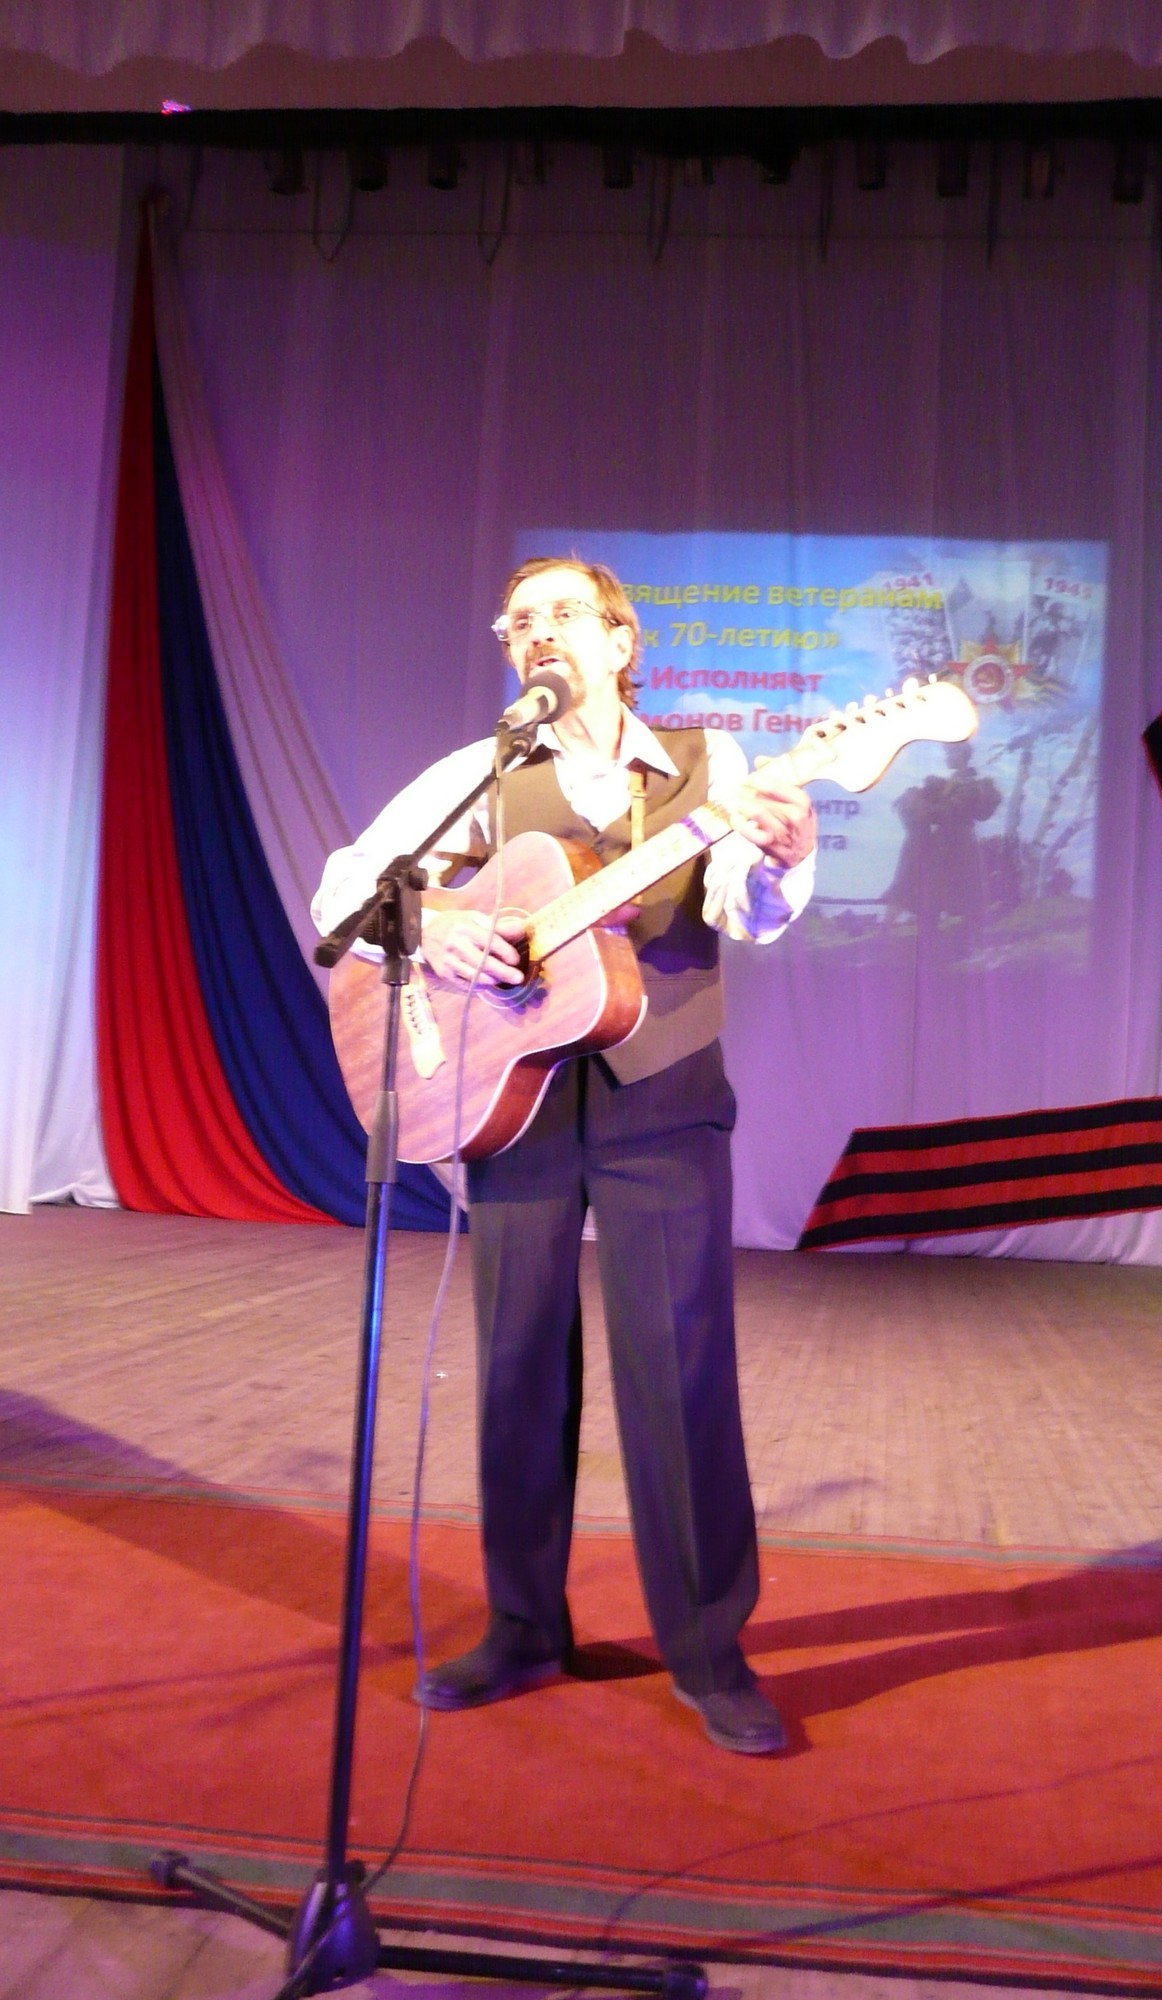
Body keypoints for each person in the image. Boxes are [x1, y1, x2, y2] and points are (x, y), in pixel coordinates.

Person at [312, 558, 817, 1754]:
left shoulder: (710, 763)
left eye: (561, 613)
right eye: (518, 619)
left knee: (680, 1376)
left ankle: (710, 1652)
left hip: (665, 1102)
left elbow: (745, 910)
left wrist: (783, 856)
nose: (535, 632)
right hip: (514, 1100)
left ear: (622, 640)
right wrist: (439, 926)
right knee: (518, 1366)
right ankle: (524, 1626)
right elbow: (344, 890)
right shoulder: (483, 772)